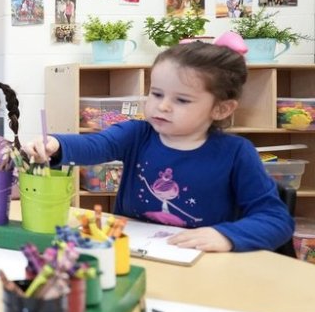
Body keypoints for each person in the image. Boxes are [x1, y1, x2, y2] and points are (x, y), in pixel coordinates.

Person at [22, 38, 294, 252]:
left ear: (222, 109)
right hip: (133, 252)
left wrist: (226, 236)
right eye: (156, 93)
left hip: (201, 263)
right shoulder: (138, 133)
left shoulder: (236, 153)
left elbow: (276, 220)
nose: (162, 106)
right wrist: (56, 144)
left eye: (182, 100)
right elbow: (97, 144)